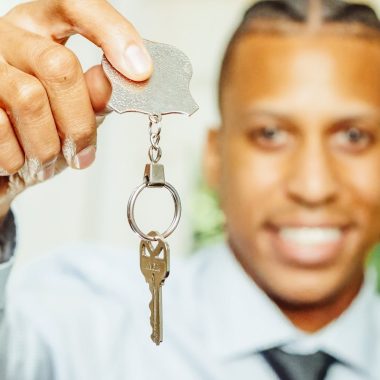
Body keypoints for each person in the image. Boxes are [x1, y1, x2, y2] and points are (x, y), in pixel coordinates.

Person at [0, 0, 380, 378]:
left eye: (354, 136)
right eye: (270, 134)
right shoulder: (79, 313)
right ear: (213, 158)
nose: (313, 188)